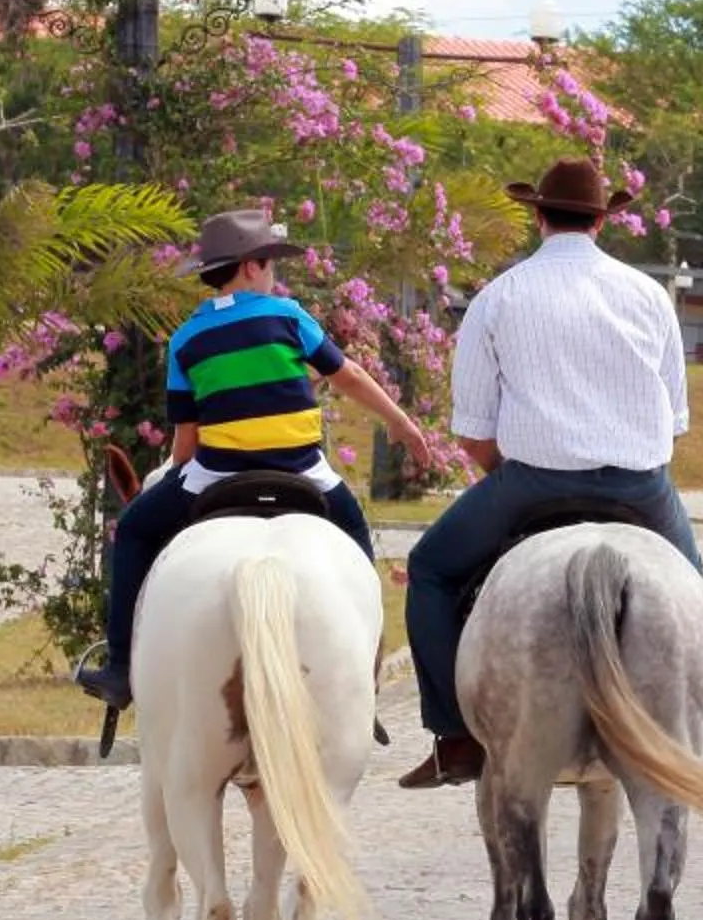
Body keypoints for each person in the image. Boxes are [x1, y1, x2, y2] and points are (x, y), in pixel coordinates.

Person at [394, 157, 702, 789]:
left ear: (537, 215)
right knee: (690, 592)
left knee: (429, 570)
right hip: (641, 488)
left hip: (533, 483)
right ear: (602, 221)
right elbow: (673, 421)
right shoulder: (650, 296)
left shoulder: (498, 297)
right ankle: (686, 728)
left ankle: (453, 735)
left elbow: (474, 430)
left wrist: (504, 473)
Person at [74, 207, 434, 711]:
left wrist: (172, 475)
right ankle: (364, 670)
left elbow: (187, 438)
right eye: (271, 263)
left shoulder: (185, 339)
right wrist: (399, 420)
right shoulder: (289, 316)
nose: (275, 274)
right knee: (354, 540)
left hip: (217, 472)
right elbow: (345, 374)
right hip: (304, 470)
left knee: (134, 529)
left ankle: (119, 667)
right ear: (250, 266)